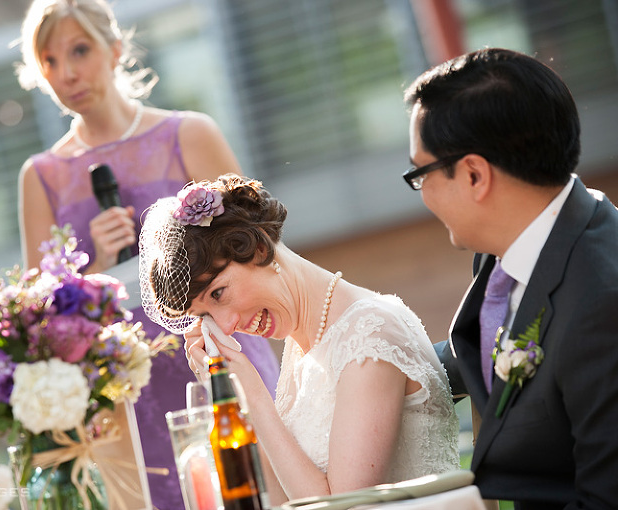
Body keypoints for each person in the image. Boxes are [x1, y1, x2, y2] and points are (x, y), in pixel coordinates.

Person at [14, 1, 280, 507]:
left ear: (115, 51)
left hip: (215, 351)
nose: (66, 73)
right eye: (49, 61)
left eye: (80, 50)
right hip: (120, 392)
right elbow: (37, 319)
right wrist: (91, 267)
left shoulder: (188, 134)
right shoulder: (40, 176)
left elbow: (258, 249)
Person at [138, 174, 460, 504]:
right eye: (204, 315)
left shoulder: (370, 332)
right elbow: (280, 501)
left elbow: (341, 507)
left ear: (258, 247)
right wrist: (236, 401)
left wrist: (255, 395)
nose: (227, 325)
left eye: (218, 294)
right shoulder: (302, 349)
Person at [404, 47, 618, 509]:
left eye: (420, 174)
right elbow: (482, 353)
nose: (422, 196)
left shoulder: (604, 300)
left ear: (475, 174)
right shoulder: (507, 244)